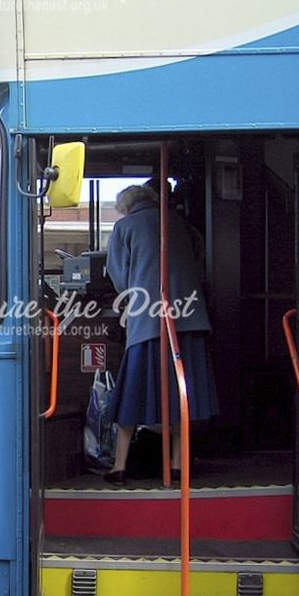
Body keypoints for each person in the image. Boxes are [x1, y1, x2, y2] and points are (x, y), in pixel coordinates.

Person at [103, 183, 218, 485]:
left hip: (148, 322)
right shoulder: (181, 224)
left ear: (126, 207)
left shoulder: (125, 227)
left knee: (131, 393)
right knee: (183, 397)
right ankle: (178, 464)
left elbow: (118, 277)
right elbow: (199, 260)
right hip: (190, 320)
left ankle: (119, 465)